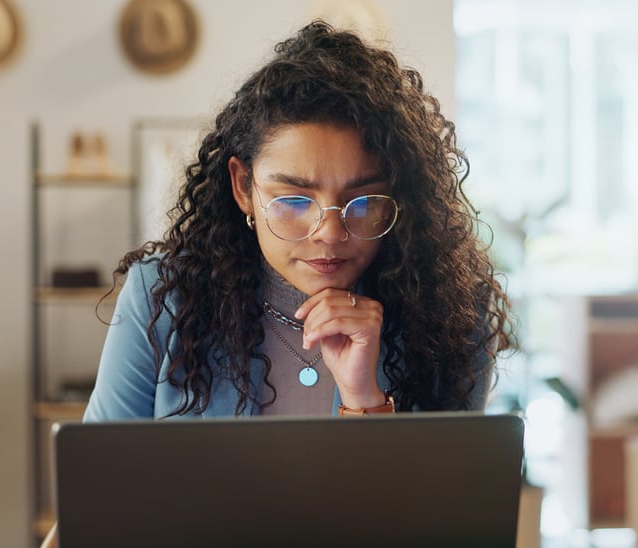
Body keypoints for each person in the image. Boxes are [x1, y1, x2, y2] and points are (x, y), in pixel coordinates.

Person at [84, 20, 516, 421]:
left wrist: (365, 398)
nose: (330, 233)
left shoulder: (452, 317)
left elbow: (441, 503)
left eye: (363, 201)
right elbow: (100, 485)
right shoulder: (162, 299)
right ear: (242, 187)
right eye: (293, 200)